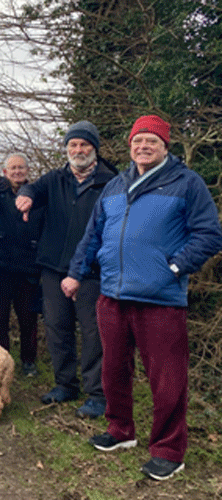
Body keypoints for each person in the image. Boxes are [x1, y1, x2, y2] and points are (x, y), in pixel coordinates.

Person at [65, 115, 222, 480]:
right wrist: (76, 272)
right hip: (113, 295)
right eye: (138, 141)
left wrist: (174, 268)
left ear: (165, 146)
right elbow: (93, 234)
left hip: (161, 298)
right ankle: (120, 431)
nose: (143, 147)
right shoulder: (116, 184)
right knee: (113, 368)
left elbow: (209, 234)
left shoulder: (186, 183)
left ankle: (169, 450)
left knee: (166, 378)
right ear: (130, 145)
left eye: (151, 141)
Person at [16, 120, 118, 418]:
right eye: (73, 144)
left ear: (94, 149)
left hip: (92, 270)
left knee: (93, 332)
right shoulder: (55, 178)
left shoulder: (110, 182)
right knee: (57, 327)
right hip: (54, 267)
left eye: (84, 144)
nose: (78, 149)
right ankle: (65, 384)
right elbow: (32, 187)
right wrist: (27, 195)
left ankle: (97, 394)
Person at [0, 154, 43, 377]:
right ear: (5, 171)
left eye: (21, 167)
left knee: (28, 317)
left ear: (27, 170)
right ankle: (0, 361)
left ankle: (29, 361)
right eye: (13, 168)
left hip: (27, 265)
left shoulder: (38, 194)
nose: (17, 171)